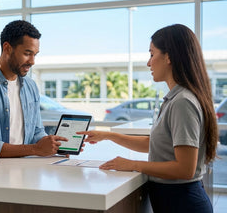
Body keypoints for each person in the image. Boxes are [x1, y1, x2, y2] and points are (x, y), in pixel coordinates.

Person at [77, 24, 218, 213]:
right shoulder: (175, 98)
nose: (148, 63)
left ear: (168, 57)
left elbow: (185, 169)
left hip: (183, 203)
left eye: (152, 54)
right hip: (174, 200)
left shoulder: (183, 101)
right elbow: (155, 144)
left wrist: (133, 165)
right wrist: (108, 136)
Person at [0, 20, 68, 157]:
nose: (32, 61)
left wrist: (53, 145)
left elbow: (37, 132)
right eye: (27, 53)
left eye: (35, 55)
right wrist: (35, 149)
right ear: (7, 48)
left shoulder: (31, 86)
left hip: (26, 168)